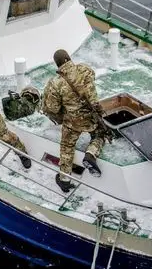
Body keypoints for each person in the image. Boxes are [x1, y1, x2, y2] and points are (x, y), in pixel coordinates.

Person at [42, 49, 105, 193]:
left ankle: (64, 180)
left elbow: (53, 107)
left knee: (67, 147)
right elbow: (90, 81)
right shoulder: (85, 69)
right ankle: (90, 154)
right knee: (100, 134)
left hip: (73, 122)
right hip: (92, 115)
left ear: (57, 65)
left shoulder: (55, 83)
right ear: (69, 58)